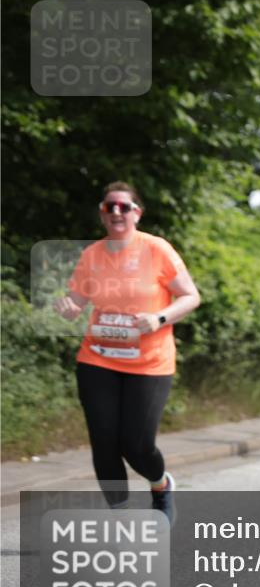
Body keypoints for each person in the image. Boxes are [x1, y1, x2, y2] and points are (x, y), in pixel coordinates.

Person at [52, 182, 201, 523]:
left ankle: (160, 486)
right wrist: (69, 308)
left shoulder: (157, 249)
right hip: (98, 358)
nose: (116, 212)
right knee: (104, 442)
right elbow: (77, 300)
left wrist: (159, 318)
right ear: (102, 213)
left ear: (137, 212)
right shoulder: (92, 254)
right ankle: (120, 517)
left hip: (149, 363)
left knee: (137, 444)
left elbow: (191, 296)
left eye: (123, 206)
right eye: (109, 207)